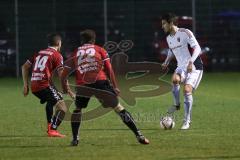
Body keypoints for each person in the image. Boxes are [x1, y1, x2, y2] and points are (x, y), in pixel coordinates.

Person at [61, 29, 149, 146]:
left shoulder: (76, 52)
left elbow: (63, 75)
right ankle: (139, 135)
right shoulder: (99, 49)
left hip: (83, 85)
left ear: (82, 40)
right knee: (118, 107)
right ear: (94, 40)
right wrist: (115, 86)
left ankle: (75, 139)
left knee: (77, 109)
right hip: (100, 82)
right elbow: (109, 69)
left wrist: (64, 89)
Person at [22, 33, 70, 137]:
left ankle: (50, 126)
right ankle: (53, 129)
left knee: (52, 101)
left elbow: (25, 67)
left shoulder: (39, 53)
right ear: (59, 43)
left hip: (34, 86)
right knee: (63, 108)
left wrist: (25, 85)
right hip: (44, 85)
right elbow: (62, 75)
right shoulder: (57, 55)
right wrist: (69, 90)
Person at [161, 13, 203, 130]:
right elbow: (171, 50)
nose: (162, 26)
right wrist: (166, 61)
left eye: (164, 24)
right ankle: (177, 104)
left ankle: (187, 121)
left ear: (171, 23)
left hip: (195, 67)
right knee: (175, 80)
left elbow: (198, 48)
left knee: (187, 90)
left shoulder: (185, 32)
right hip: (181, 67)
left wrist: (191, 62)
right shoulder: (169, 38)